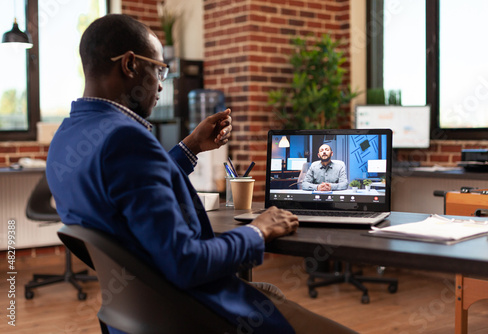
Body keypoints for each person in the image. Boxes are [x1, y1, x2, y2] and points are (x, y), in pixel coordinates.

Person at [46, 14, 356, 334]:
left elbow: (129, 190)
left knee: (270, 294)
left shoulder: (68, 136)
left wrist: (190, 147)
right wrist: (258, 231)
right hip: (194, 313)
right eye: (159, 69)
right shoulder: (125, 139)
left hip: (137, 316)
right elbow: (187, 263)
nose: (162, 83)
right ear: (129, 65)